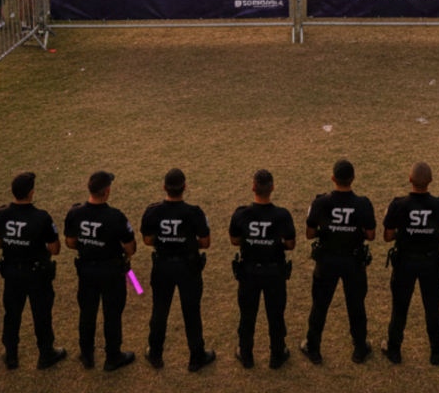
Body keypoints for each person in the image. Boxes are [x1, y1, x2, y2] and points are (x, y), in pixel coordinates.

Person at [140, 167, 215, 372]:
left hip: (162, 265)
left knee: (159, 310)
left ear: (164, 187)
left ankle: (155, 354)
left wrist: (166, 241)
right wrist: (187, 243)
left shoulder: (152, 211)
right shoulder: (194, 212)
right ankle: (196, 357)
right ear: (185, 187)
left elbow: (147, 240)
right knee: (191, 312)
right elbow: (206, 242)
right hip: (188, 267)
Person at [301, 158, 374, 365]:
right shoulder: (363, 204)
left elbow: (309, 234)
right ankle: (359, 348)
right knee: (356, 306)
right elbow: (370, 235)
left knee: (320, 305)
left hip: (327, 260)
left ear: (333, 178)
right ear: (353, 178)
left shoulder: (320, 202)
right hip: (353, 261)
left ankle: (313, 347)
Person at [0, 171, 66, 370]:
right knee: (41, 315)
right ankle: (46, 354)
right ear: (31, 192)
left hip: (12, 273)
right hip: (37, 274)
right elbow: (55, 249)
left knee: (12, 314)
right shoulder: (41, 217)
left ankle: (11, 356)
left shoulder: (0, 213)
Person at [382, 161, 439, 366]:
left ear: (410, 179)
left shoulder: (398, 204)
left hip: (404, 262)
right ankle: (436, 351)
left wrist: (404, 234)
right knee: (432, 308)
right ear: (430, 180)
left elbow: (388, 236)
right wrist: (430, 235)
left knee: (399, 309)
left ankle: (394, 350)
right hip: (430, 262)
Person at [64, 170, 136, 371]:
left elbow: (70, 243)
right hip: (111, 272)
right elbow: (130, 248)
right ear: (107, 191)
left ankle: (87, 355)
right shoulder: (115, 216)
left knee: (87, 313)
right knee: (112, 314)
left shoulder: (75, 212)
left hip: (86, 270)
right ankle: (113, 357)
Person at [230, 168, 295, 369]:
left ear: (253, 188)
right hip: (274, 272)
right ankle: (277, 355)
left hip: (249, 272)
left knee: (247, 316)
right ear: (273, 188)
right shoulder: (282, 215)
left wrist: (253, 242)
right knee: (276, 315)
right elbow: (291, 244)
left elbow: (234, 240)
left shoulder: (241, 214)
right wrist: (275, 245)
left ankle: (246, 354)